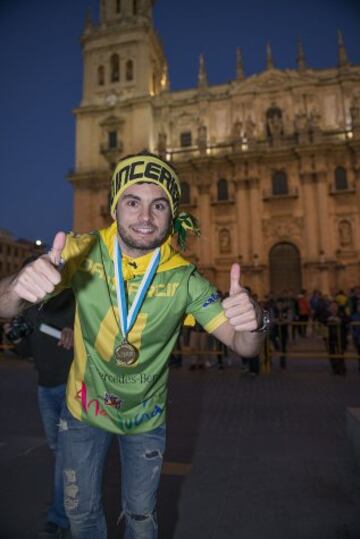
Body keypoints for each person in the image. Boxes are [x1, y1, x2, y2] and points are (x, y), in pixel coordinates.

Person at [0, 152, 269, 539]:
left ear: (171, 214)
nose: (145, 217)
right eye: (133, 202)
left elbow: (244, 346)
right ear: (114, 208)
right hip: (82, 412)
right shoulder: (80, 252)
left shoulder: (184, 278)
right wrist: (18, 285)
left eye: (158, 205)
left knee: (142, 520)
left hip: (146, 419)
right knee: (81, 515)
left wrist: (256, 321)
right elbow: (4, 306)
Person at [4, 287, 75, 538]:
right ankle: (72, 502)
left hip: (71, 387)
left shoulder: (68, 300)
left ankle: (59, 515)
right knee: (60, 453)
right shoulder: (29, 310)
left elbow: (93, 332)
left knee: (66, 453)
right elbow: (27, 351)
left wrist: (74, 331)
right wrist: (15, 338)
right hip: (45, 388)